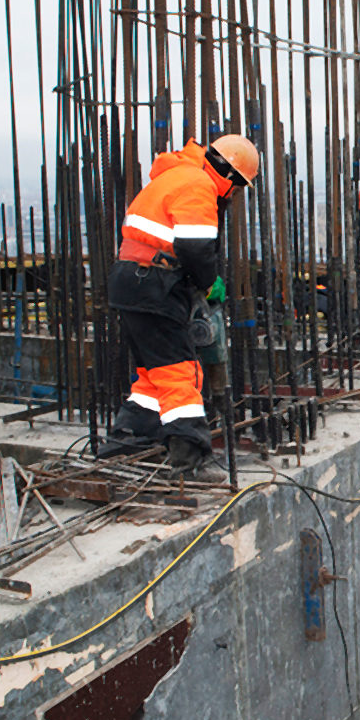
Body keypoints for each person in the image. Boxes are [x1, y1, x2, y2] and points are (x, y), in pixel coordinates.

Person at [100, 135, 259, 481]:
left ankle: (126, 444)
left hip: (130, 281)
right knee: (180, 374)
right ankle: (188, 461)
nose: (233, 196)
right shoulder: (199, 184)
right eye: (238, 187)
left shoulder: (174, 174)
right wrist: (207, 283)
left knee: (152, 377)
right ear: (230, 177)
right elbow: (196, 248)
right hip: (154, 285)